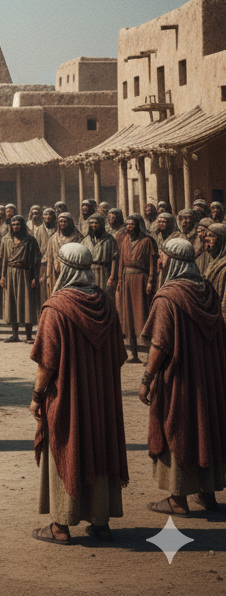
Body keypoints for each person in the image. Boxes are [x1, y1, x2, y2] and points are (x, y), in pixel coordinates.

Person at [29, 243, 128, 544]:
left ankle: (61, 525)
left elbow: (47, 362)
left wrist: (37, 396)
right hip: (101, 398)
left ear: (64, 267)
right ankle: (101, 522)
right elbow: (118, 354)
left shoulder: (56, 308)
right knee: (98, 448)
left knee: (66, 445)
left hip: (68, 396)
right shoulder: (106, 303)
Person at [139, 237, 226, 515]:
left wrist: (146, 379)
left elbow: (160, 344)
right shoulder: (208, 291)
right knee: (205, 428)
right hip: (209, 378)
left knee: (178, 427)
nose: (159, 261)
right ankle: (207, 494)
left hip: (180, 379)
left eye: (163, 257)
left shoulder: (169, 297)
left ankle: (178, 499)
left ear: (174, 261)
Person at [108, 214, 158, 362]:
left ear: (138, 225)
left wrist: (150, 281)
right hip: (126, 280)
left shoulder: (147, 241)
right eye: (128, 224)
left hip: (141, 280)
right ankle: (134, 354)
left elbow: (152, 263)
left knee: (143, 315)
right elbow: (121, 263)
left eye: (132, 224)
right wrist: (119, 281)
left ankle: (149, 354)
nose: (129, 227)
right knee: (128, 316)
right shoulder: (125, 240)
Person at [0, 215, 42, 343]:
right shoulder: (6, 239)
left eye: (18, 224)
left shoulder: (30, 240)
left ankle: (28, 335)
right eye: (13, 225)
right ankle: (15, 334)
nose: (15, 227)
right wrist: (3, 276)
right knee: (12, 302)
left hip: (25, 273)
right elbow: (4, 260)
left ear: (22, 225)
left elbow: (35, 261)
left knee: (27, 303)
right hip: (10, 273)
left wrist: (34, 277)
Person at [83, 214, 118, 291]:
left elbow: (114, 259)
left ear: (101, 224)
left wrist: (112, 276)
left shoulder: (109, 239)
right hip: (88, 273)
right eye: (91, 223)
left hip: (103, 273)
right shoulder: (85, 240)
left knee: (102, 294)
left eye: (96, 223)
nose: (93, 225)